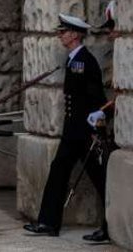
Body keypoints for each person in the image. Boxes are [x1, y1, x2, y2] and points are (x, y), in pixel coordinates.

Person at [23, 13, 110, 242]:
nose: (60, 35)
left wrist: (97, 125)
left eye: (63, 32)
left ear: (74, 35)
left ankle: (110, 226)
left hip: (84, 132)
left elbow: (95, 97)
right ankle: (48, 222)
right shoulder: (74, 59)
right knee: (58, 171)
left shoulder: (83, 61)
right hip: (74, 131)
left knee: (101, 179)